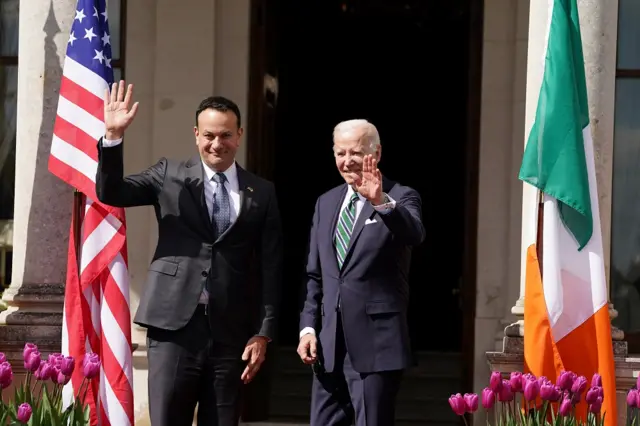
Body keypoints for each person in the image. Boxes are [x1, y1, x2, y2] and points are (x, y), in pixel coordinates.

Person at [96, 81, 283, 426]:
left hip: (231, 334)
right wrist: (113, 137)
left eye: (226, 135)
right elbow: (112, 191)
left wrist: (263, 331)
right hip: (173, 329)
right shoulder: (169, 175)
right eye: (209, 135)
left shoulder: (263, 192)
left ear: (239, 135)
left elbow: (271, 266)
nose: (217, 144)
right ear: (196, 134)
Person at [297, 119, 425, 425]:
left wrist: (380, 202)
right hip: (328, 349)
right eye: (340, 153)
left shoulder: (401, 195)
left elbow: (414, 234)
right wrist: (308, 328)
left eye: (355, 153)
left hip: (376, 348)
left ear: (376, 153)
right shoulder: (325, 203)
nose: (347, 161)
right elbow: (316, 275)